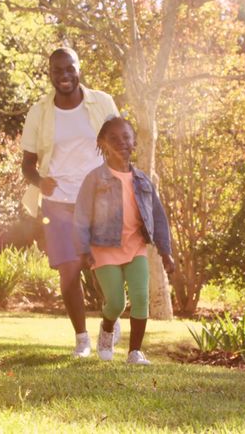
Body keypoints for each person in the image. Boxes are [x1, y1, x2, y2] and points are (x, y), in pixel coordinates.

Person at [20, 46, 119, 357]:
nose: (63, 76)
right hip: (58, 202)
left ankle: (109, 323)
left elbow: (122, 145)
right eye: (56, 71)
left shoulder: (102, 103)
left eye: (69, 69)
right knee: (69, 270)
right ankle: (81, 339)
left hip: (99, 198)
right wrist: (40, 182)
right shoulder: (40, 111)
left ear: (79, 68)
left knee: (105, 268)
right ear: (50, 74)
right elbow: (27, 163)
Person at [74, 116, 175, 364]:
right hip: (103, 248)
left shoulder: (142, 181)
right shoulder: (95, 179)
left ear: (134, 143)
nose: (121, 142)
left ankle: (135, 352)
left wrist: (165, 252)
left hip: (136, 245)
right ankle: (108, 326)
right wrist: (83, 248)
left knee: (141, 297)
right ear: (102, 144)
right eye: (114, 139)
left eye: (126, 137)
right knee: (116, 302)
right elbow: (82, 214)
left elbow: (158, 217)